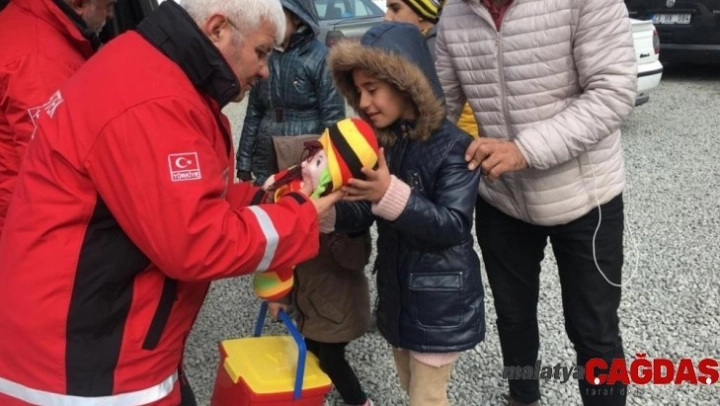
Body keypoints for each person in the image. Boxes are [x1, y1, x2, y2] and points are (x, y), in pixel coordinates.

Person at [0, 0, 341, 404]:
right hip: (86, 365)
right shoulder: (153, 99)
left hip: (98, 341)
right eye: (262, 52)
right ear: (218, 29)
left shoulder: (158, 74)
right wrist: (298, 218)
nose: (266, 69)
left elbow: (185, 194)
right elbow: (196, 241)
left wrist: (264, 197)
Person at [435, 1, 638, 405]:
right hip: (502, 197)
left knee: (594, 330)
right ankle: (523, 394)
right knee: (513, 317)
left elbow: (613, 91)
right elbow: (440, 107)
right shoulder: (455, 11)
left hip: (586, 198)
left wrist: (524, 150)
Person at [326, 22, 485, 406]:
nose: (364, 102)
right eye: (358, 91)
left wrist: (388, 193)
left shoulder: (455, 147)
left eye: (372, 89)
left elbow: (453, 225)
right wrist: (321, 213)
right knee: (408, 382)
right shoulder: (388, 143)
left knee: (426, 397)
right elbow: (366, 209)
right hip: (399, 296)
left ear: (406, 83)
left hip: (439, 301)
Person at [265, 119, 377, 406]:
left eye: (317, 162)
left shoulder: (342, 213)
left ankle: (359, 401)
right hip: (313, 304)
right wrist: (281, 296)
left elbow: (355, 259)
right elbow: (286, 258)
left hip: (338, 309)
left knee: (331, 361)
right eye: (310, 158)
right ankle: (316, 394)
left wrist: (333, 226)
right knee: (312, 353)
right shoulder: (303, 203)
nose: (304, 166)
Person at [0, 0, 116, 238]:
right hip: (35, 232)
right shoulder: (39, 63)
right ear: (79, 4)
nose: (112, 16)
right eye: (108, 7)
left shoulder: (29, 22)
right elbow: (56, 174)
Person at [236, 0, 345, 186]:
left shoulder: (321, 58)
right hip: (265, 159)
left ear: (297, 17)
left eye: (278, 14)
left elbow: (333, 120)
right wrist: (244, 163)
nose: (272, 20)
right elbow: (254, 112)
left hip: (304, 160)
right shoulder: (264, 55)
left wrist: (328, 168)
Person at [384, 0, 480, 139]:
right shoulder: (427, 42)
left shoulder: (431, 50)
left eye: (395, 8)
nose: (387, 17)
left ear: (421, 13)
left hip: (458, 139)